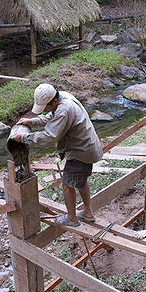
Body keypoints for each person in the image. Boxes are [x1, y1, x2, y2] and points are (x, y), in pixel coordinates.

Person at [12, 83, 103, 227]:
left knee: (67, 184)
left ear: (54, 101)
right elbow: (51, 117)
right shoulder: (62, 97)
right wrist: (32, 121)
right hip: (86, 148)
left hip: (80, 152)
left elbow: (49, 136)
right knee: (80, 179)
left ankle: (71, 218)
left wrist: (24, 137)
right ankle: (87, 212)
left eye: (46, 107)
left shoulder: (64, 109)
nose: (45, 111)